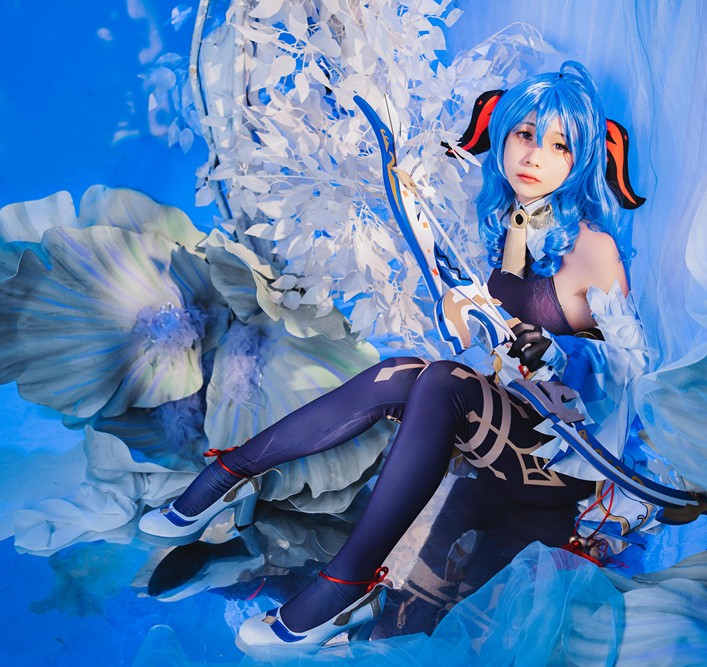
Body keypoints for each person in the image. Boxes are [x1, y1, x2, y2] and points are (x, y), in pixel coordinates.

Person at [138, 61, 646, 656]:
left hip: (566, 464)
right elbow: (500, 318)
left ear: (583, 160)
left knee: (441, 382)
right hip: (513, 425)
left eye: (560, 146)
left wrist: (554, 356)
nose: (534, 156)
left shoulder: (593, 247)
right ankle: (230, 474)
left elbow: (628, 370)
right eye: (525, 134)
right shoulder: (516, 224)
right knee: (402, 372)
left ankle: (344, 585)